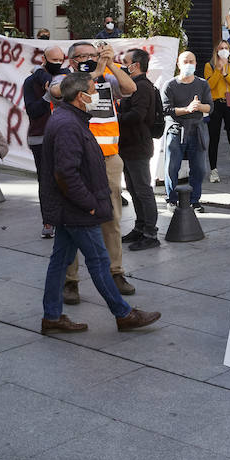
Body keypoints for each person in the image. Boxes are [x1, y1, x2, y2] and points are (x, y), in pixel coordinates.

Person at [38, 71, 159, 336]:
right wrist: (89, 204)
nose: (97, 94)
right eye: (93, 90)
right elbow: (65, 173)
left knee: (60, 260)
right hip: (77, 210)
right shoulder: (69, 125)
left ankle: (52, 316)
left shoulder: (70, 119)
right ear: (81, 97)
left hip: (70, 209)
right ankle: (124, 313)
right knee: (99, 261)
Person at [53, 41, 137, 304]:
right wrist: (96, 70)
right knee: (71, 221)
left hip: (108, 159)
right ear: (71, 61)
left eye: (92, 54)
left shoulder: (108, 75)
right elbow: (57, 91)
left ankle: (116, 272)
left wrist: (110, 63)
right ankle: (70, 281)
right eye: (82, 56)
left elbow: (131, 88)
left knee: (111, 218)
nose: (88, 58)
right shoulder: (63, 78)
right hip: (76, 160)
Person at [117, 49, 160, 251]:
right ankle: (140, 227)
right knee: (133, 189)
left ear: (135, 65)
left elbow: (137, 115)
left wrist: (115, 117)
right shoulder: (133, 86)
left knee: (143, 190)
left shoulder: (142, 87)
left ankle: (151, 233)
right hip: (128, 145)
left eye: (125, 62)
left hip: (138, 145)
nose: (123, 65)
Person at [162, 51, 212, 213]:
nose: (189, 64)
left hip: (197, 129)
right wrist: (187, 109)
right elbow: (166, 109)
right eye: (185, 61)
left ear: (196, 64)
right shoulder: (170, 85)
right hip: (176, 129)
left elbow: (210, 107)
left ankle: (194, 200)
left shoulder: (202, 84)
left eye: (192, 61)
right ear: (178, 63)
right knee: (172, 166)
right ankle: (171, 199)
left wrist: (199, 107)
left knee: (199, 168)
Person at [24, 45, 64, 237]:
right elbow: (32, 110)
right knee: (46, 181)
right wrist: (49, 95)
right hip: (41, 139)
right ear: (44, 59)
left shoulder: (65, 78)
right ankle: (48, 222)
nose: (57, 64)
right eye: (53, 60)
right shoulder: (31, 82)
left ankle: (66, 218)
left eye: (60, 60)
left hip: (65, 138)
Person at [204, 40, 230, 184]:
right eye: (221, 48)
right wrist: (218, 70)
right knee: (214, 138)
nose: (223, 50)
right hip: (216, 103)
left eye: (226, 48)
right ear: (216, 51)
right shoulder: (209, 66)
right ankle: (213, 171)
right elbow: (209, 85)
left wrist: (226, 74)